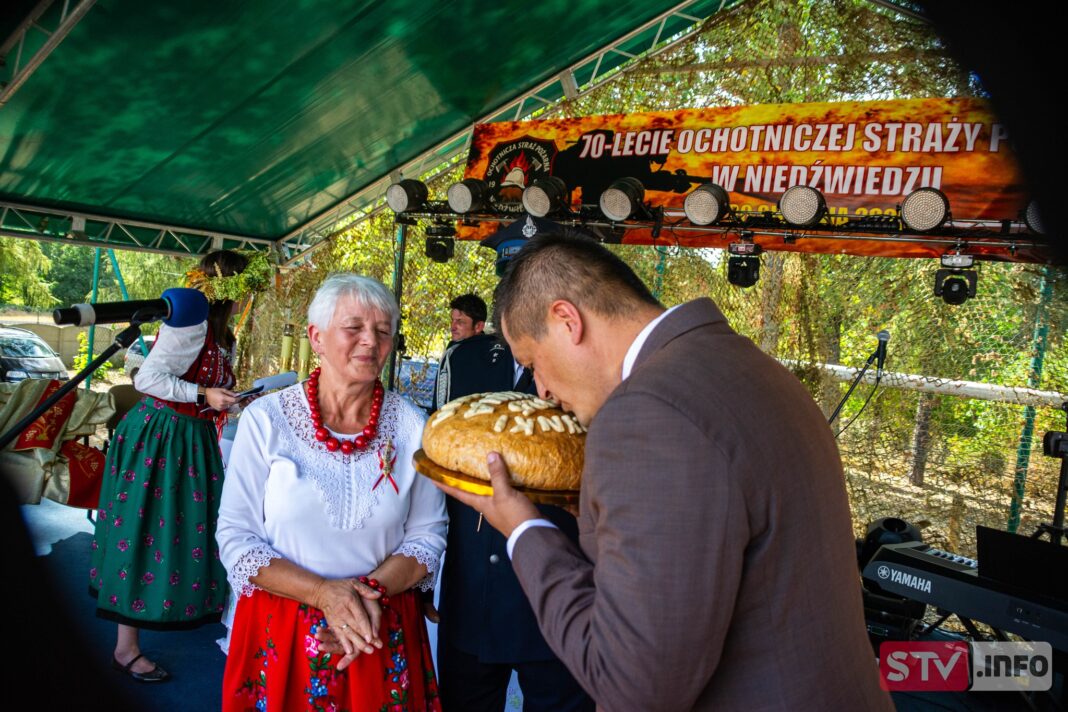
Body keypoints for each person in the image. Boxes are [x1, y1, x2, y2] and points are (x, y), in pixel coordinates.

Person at [436, 231, 894, 711]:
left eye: (534, 363)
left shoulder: (647, 412)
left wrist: (523, 528)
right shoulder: (747, 365)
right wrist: (589, 511)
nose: (543, 389)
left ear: (567, 320)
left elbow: (632, 686)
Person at [216, 273, 447, 711]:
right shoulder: (267, 419)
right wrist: (323, 594)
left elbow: (427, 536)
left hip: (377, 625)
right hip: (283, 626)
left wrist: (364, 597)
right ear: (316, 337)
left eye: (383, 331)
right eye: (354, 327)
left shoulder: (413, 426)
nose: (371, 341)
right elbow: (236, 538)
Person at [89, 249, 248, 682]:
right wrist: (202, 395)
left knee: (183, 531)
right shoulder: (191, 324)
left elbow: (201, 385)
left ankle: (173, 608)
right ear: (229, 288)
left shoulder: (221, 333)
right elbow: (148, 379)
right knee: (143, 533)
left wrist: (222, 399)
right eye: (245, 288)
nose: (248, 298)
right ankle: (125, 649)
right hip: (161, 438)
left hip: (192, 439)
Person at [431, 294, 592, 712]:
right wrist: (424, 576)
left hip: (553, 595)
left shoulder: (589, 363)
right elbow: (439, 463)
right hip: (472, 588)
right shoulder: (464, 358)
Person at [432, 294, 513, 411]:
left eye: (460, 321)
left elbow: (441, 405)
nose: (452, 327)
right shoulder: (504, 346)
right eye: (452, 320)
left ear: (478, 326)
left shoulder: (454, 353)